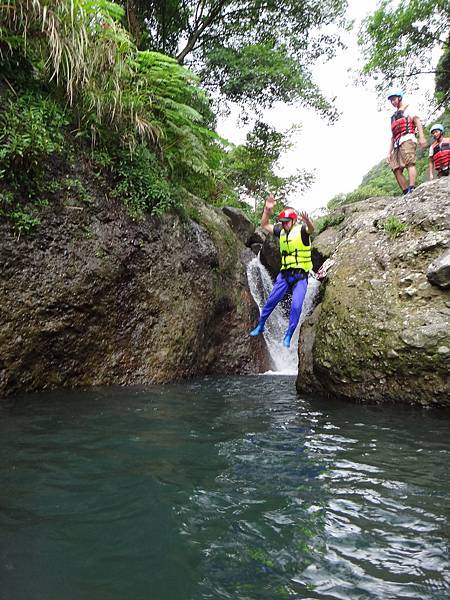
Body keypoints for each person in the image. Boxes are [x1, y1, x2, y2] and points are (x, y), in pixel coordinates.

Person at [249, 193, 314, 348]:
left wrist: (309, 222)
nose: (284, 224)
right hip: (285, 275)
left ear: (294, 220)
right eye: (282, 222)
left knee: (296, 306)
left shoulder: (303, 232)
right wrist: (267, 209)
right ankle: (261, 324)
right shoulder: (281, 232)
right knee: (271, 301)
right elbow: (264, 225)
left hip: (300, 276)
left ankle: (289, 334)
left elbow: (311, 229)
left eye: (287, 222)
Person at [386, 88, 427, 194]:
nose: (393, 102)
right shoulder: (394, 117)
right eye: (391, 100)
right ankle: (406, 192)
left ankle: (412, 188)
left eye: (394, 99)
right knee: (395, 168)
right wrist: (388, 152)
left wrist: (422, 136)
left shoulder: (409, 108)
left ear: (399, 98)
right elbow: (392, 136)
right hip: (397, 143)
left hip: (408, 138)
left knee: (410, 163)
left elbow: (417, 121)